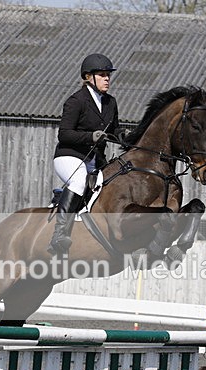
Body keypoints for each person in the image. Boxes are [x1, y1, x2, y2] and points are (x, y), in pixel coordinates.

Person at [48, 53, 120, 255]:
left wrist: (128, 137)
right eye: (102, 75)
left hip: (95, 159)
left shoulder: (110, 102)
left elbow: (114, 130)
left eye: (108, 75)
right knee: (79, 181)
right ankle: (59, 234)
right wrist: (91, 137)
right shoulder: (76, 101)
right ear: (89, 77)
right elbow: (64, 134)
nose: (107, 79)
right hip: (69, 156)